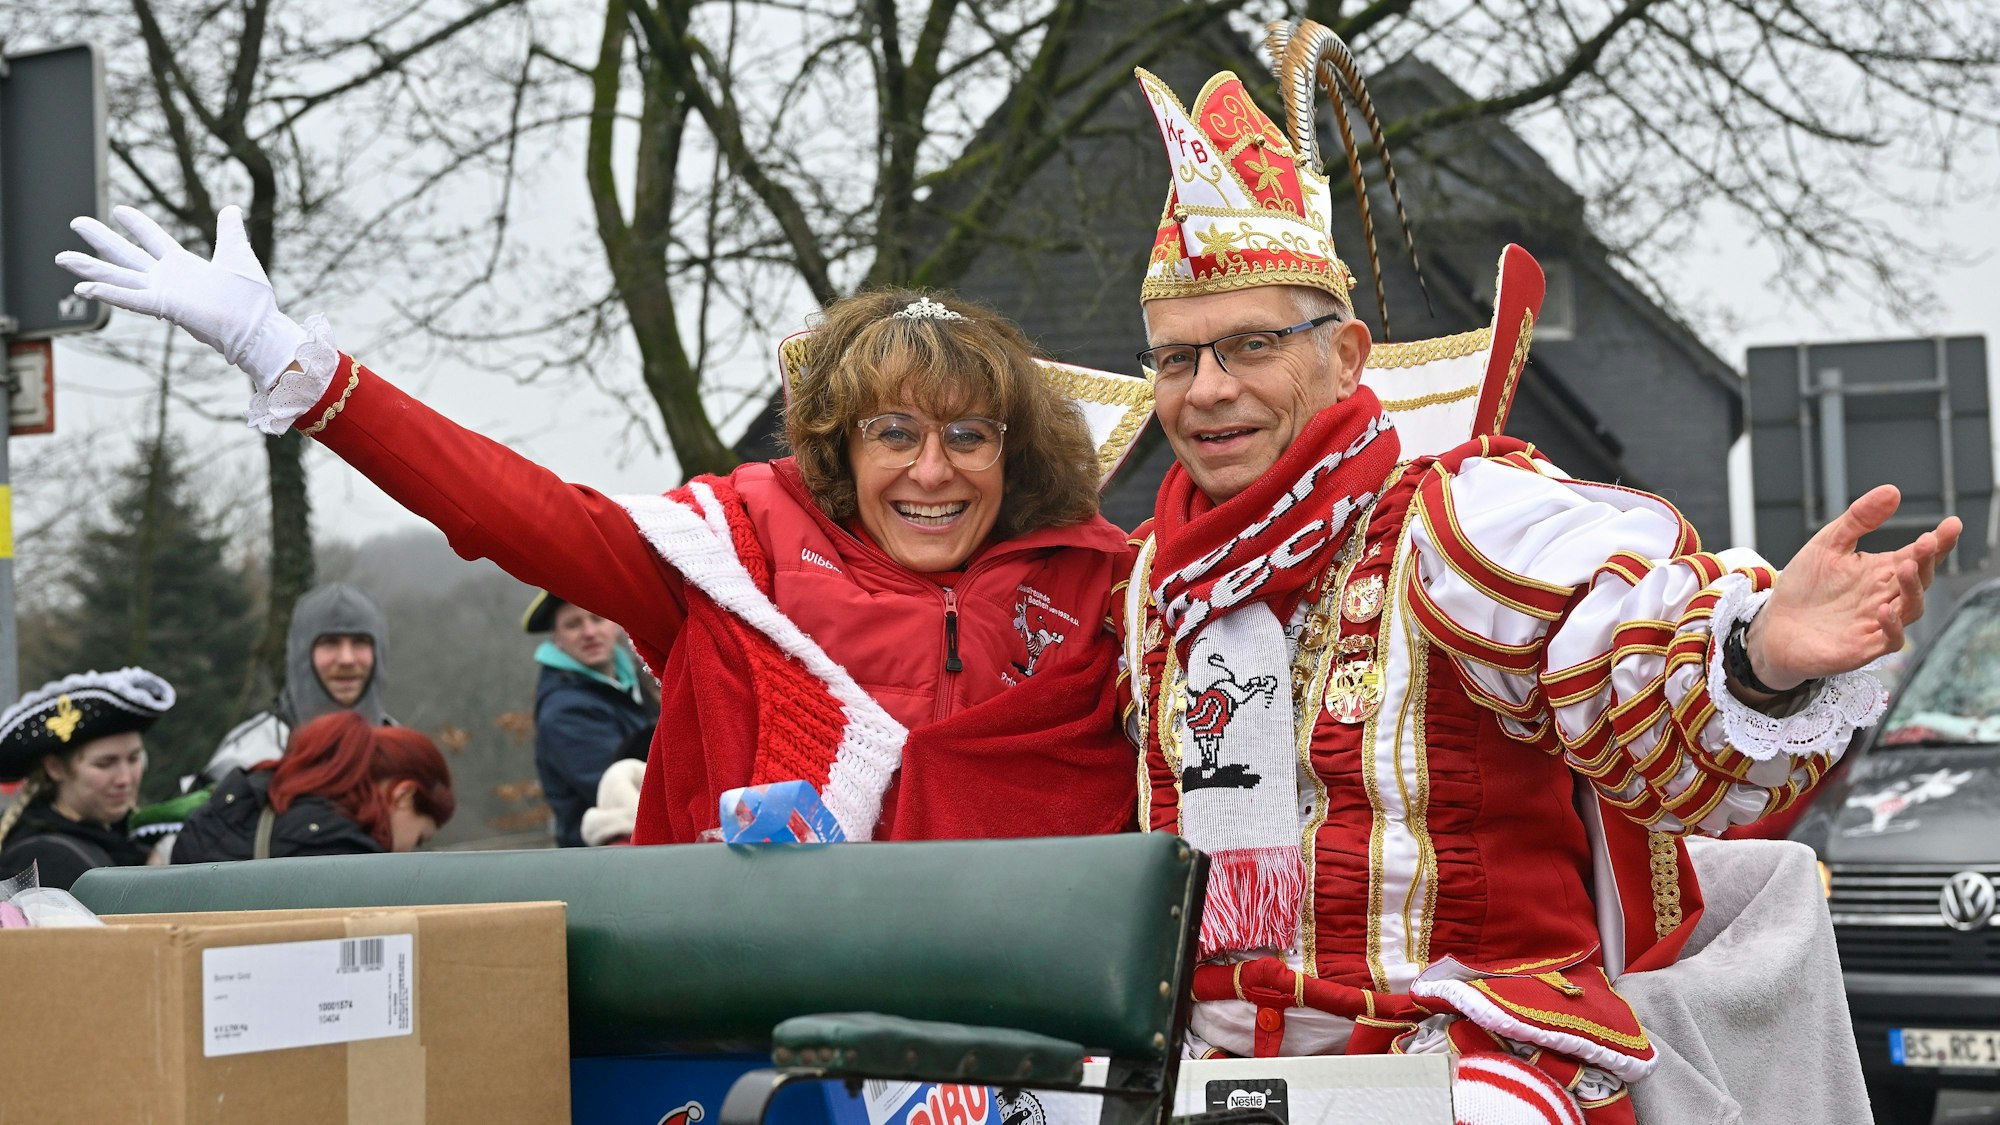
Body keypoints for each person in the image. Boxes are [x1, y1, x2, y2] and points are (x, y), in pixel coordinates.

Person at [1114, 28, 1961, 1123]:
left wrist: (1753, 658)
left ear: (1346, 356)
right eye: (1175, 359)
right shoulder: (1150, 585)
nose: (1207, 389)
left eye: (1247, 347)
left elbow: (1612, 655)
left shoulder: (1455, 516)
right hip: (1204, 1076)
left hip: (1465, 1059)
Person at [57, 219, 1152, 845]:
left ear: (1015, 455)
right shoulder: (734, 558)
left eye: (968, 434)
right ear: (836, 449)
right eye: (893, 433)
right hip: (781, 1037)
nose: (930, 469)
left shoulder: (1115, 592)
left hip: (1055, 1055)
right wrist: (297, 365)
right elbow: (507, 508)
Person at [174, 711, 453, 861]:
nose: (409, 853)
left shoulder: (217, 813)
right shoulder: (348, 856)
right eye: (419, 839)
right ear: (404, 795)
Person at [0, 668, 176, 890]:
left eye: (134, 759)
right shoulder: (41, 860)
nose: (125, 778)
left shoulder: (128, 842)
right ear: (55, 768)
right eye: (105, 764)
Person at [206, 582, 391, 780]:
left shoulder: (402, 756)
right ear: (302, 654)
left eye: (360, 642)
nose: (347, 659)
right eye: (329, 643)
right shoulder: (247, 758)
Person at [524, 590, 654, 846]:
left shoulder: (641, 682)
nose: (590, 632)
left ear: (616, 624)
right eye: (573, 624)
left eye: (597, 618)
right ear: (556, 638)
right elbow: (619, 791)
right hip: (604, 861)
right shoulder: (565, 713)